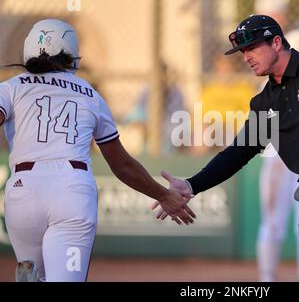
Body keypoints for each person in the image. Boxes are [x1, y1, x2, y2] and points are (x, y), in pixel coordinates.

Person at [153, 14, 299, 282]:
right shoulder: (265, 102)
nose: (246, 57)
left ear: (276, 42)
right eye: (243, 51)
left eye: (253, 48)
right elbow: (239, 152)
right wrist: (192, 185)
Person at [0, 19, 195, 282]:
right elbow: (122, 165)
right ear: (72, 54)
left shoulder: (11, 87)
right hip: (72, 191)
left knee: (36, 272)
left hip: (22, 192)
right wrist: (163, 195)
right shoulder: (89, 94)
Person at [256, 29, 299, 282]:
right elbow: (262, 135)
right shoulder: (268, 84)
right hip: (278, 161)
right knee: (273, 224)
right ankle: (266, 279)